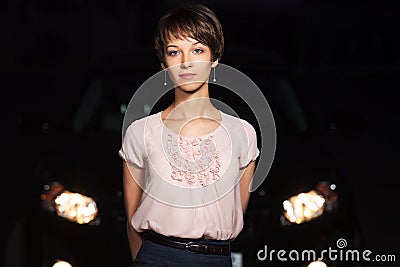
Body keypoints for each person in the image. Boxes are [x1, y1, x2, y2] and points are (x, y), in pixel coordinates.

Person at [119, 4, 260, 266]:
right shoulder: (141, 132)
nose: (187, 62)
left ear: (214, 57)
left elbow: (235, 212)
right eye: (175, 52)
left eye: (197, 49)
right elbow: (131, 219)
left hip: (217, 258)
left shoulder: (243, 134)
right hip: (156, 257)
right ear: (163, 63)